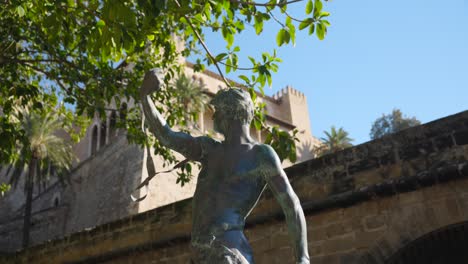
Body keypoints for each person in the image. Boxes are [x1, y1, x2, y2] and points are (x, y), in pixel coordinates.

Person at [140, 69, 310, 264]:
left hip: (229, 253)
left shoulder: (261, 155)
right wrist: (145, 97)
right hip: (199, 254)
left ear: (231, 113)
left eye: (217, 112)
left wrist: (303, 259)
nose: (213, 118)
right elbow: (167, 136)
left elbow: (291, 205)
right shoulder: (209, 149)